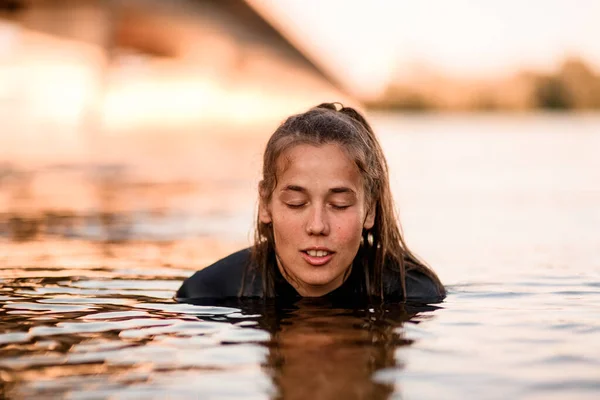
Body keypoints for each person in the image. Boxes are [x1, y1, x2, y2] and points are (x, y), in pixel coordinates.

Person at [176, 103, 445, 304]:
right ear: (266, 205)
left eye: (339, 204)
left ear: (370, 210)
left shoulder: (414, 294)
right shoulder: (207, 293)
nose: (317, 226)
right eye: (296, 203)